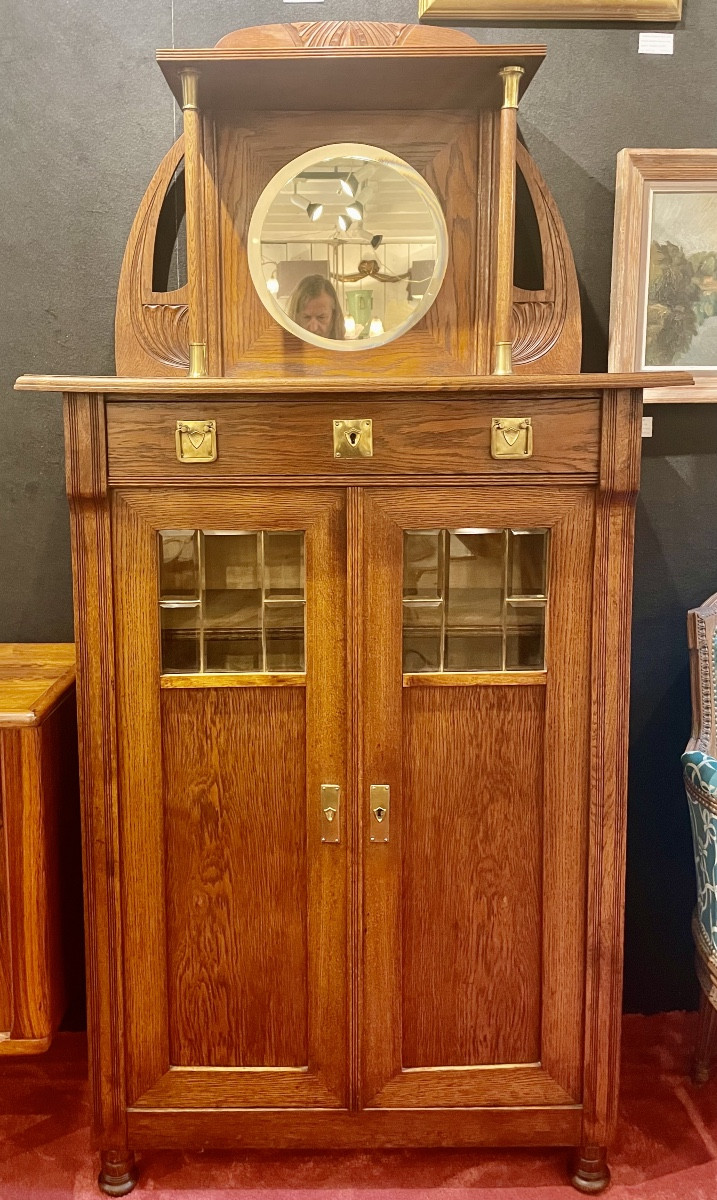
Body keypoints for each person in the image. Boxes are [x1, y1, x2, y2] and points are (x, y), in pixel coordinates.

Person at [287, 274, 345, 340]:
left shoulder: (346, 346)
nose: (313, 328)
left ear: (334, 316)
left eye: (321, 317)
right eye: (306, 317)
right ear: (296, 317)